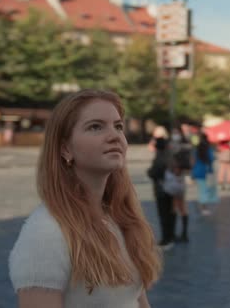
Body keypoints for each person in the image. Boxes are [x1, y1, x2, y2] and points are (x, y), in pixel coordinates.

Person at [9, 90, 161, 308]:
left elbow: (135, 300)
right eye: (96, 127)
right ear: (65, 148)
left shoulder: (119, 217)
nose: (114, 136)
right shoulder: (46, 233)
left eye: (118, 126)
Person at [147, 137, 175, 250]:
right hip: (171, 189)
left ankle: (166, 239)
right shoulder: (170, 155)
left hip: (161, 190)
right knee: (171, 214)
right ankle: (171, 236)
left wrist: (149, 172)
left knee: (164, 215)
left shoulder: (159, 157)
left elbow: (154, 172)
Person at [162, 157, 189, 243]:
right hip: (180, 188)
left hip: (177, 190)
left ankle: (177, 233)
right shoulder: (180, 167)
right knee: (180, 209)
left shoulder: (174, 166)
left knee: (176, 209)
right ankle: (182, 234)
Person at [191, 132, 218, 216]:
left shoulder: (196, 149)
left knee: (202, 190)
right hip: (207, 172)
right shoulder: (208, 149)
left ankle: (203, 206)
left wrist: (192, 173)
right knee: (206, 190)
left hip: (198, 171)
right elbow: (212, 158)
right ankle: (204, 207)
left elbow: (193, 161)